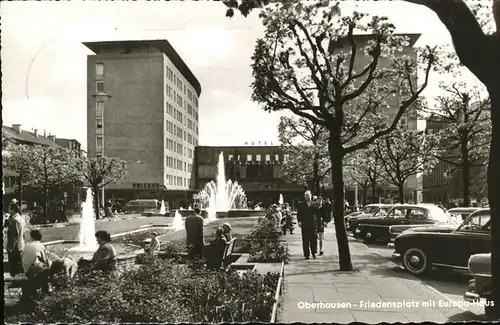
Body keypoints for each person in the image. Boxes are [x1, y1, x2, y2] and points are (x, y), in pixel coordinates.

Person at [21, 229, 52, 302]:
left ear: (31, 237)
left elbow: (22, 256)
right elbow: (45, 260)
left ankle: (44, 293)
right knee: (46, 271)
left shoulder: (26, 245)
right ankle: (46, 293)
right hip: (34, 273)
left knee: (42, 269)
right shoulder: (40, 246)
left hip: (26, 271)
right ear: (40, 237)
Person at [297, 191, 317, 260]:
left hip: (313, 224)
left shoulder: (314, 204)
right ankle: (306, 254)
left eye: (308, 195)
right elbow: (299, 214)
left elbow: (317, 213)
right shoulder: (301, 204)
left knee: (313, 240)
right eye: (305, 195)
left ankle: (314, 252)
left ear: (311, 195)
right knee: (305, 240)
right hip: (305, 224)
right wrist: (299, 221)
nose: (307, 197)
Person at [7, 202, 26, 276]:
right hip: (21, 245)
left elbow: (14, 236)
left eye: (9, 209)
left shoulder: (15, 221)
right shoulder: (21, 219)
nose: (8, 210)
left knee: (14, 266)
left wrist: (10, 247)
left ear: (13, 210)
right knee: (18, 265)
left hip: (15, 247)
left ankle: (14, 281)